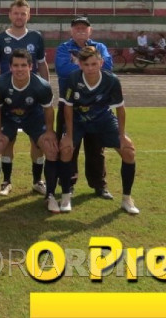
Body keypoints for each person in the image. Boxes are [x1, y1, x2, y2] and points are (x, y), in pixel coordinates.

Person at [58, 46, 139, 215]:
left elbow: (120, 109)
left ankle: (127, 199)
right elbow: (68, 108)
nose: (90, 68)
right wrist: (69, 136)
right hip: (78, 120)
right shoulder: (73, 79)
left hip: (103, 120)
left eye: (94, 64)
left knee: (129, 151)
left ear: (101, 63)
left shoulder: (112, 80)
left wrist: (122, 135)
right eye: (86, 64)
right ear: (80, 64)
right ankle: (66, 195)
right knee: (66, 149)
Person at [0, 0, 50, 197]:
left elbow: (41, 64)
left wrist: (46, 87)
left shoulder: (36, 37)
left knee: (37, 142)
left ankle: (38, 180)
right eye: (16, 13)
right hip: (7, 99)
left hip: (32, 97)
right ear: (10, 14)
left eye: (23, 13)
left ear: (28, 15)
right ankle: (6, 182)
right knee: (7, 141)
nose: (19, 16)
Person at [0, 49, 57, 211]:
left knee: (50, 149)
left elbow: (48, 110)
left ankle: (46, 191)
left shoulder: (42, 86)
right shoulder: (0, 83)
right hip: (8, 117)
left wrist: (49, 132)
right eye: (16, 65)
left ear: (30, 66)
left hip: (34, 117)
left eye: (23, 65)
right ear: (10, 67)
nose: (19, 69)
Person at [53, 16, 113, 201]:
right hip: (70, 103)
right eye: (77, 28)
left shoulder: (100, 47)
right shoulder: (64, 48)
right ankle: (67, 184)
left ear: (90, 30)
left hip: (96, 104)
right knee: (68, 145)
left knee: (96, 148)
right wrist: (90, 67)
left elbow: (108, 66)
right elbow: (62, 69)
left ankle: (98, 185)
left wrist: (78, 64)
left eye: (84, 28)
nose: (80, 31)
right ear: (71, 31)